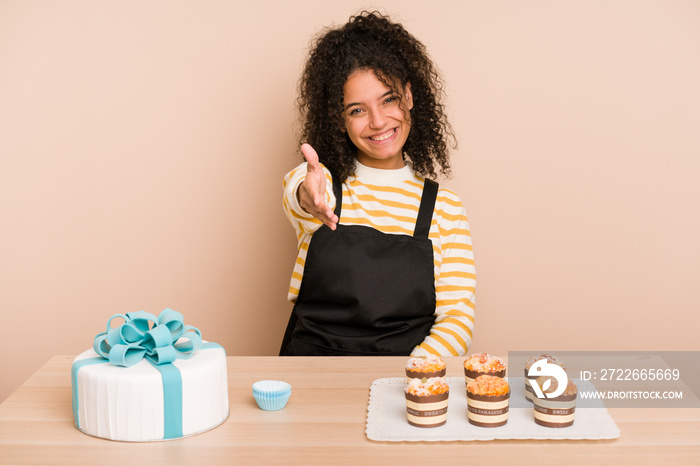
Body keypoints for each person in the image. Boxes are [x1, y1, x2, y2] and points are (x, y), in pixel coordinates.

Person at [280, 11, 475, 357]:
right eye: (357, 110)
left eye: (389, 99)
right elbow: (299, 192)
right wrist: (307, 197)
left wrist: (407, 380)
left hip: (404, 384)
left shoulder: (444, 207)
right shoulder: (323, 188)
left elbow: (456, 318)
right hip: (312, 377)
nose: (378, 120)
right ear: (339, 121)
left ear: (410, 97)